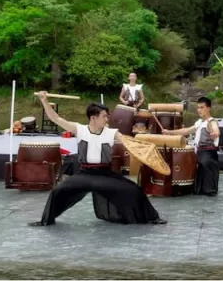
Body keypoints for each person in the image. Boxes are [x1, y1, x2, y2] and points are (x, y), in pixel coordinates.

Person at [28, 93, 165, 226]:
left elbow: (129, 142)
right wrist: (44, 100)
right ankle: (46, 221)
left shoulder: (112, 133)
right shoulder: (79, 129)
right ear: (93, 118)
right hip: (84, 174)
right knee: (57, 191)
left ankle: (152, 217)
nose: (107, 119)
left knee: (133, 190)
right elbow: (55, 118)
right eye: (104, 116)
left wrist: (146, 149)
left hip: (105, 174)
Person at [163, 97, 220, 196]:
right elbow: (186, 131)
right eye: (198, 108)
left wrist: (215, 134)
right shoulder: (199, 123)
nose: (199, 110)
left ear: (208, 108)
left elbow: (216, 130)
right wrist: (169, 132)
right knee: (199, 190)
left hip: (208, 158)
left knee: (209, 190)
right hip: (200, 156)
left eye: (202, 107)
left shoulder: (212, 122)